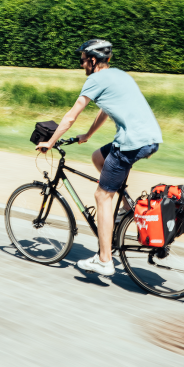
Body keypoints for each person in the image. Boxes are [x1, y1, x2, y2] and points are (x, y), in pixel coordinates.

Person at [36, 39, 162, 277]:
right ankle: (126, 210)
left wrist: (50, 142)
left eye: (82, 59)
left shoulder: (94, 79)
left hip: (131, 143)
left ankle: (104, 260)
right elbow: (106, 108)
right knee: (98, 157)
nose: (81, 63)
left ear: (92, 60)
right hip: (151, 139)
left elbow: (71, 116)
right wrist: (88, 135)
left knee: (102, 196)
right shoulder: (119, 75)